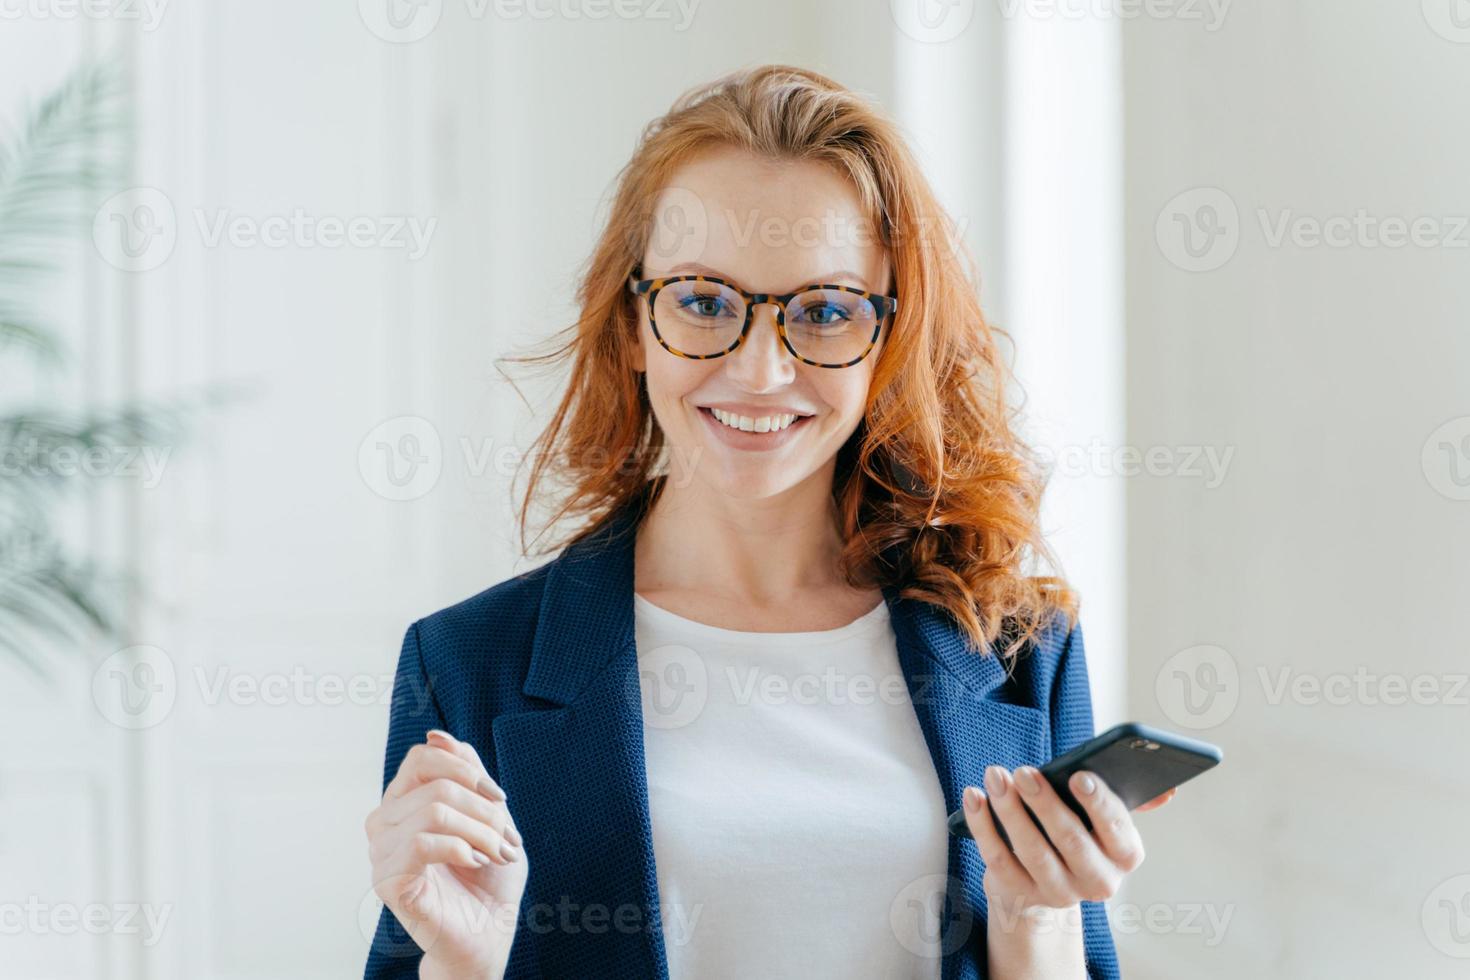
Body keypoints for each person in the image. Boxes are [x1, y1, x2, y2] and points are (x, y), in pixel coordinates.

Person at [362, 63, 1172, 980]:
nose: (758, 371)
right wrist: (468, 967)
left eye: (824, 311)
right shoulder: (469, 665)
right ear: (632, 323)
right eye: (704, 303)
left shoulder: (1021, 647)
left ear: (889, 340)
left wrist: (1035, 928)